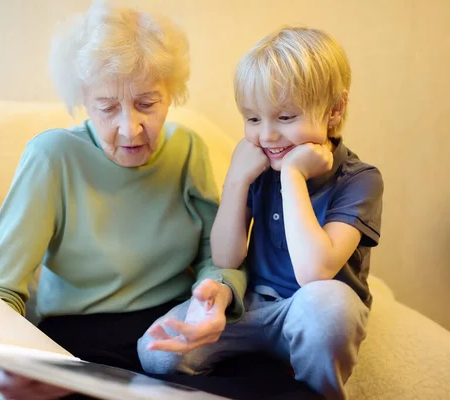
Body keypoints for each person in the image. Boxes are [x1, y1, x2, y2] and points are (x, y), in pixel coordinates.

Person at [0, 0, 247, 398]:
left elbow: (218, 253)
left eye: (147, 104)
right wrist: (2, 350)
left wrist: (216, 293)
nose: (130, 128)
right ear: (83, 99)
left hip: (171, 329)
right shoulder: (52, 157)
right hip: (80, 338)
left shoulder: (189, 150)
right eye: (107, 107)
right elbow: (0, 286)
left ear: (172, 94)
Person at [139, 26, 384, 400]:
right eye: (253, 119)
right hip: (252, 305)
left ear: (334, 110)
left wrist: (293, 177)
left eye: (285, 117)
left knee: (330, 309)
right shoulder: (259, 164)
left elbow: (314, 273)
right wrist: (237, 180)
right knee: (154, 353)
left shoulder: (360, 180)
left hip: (309, 313)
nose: (267, 136)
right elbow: (226, 256)